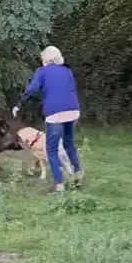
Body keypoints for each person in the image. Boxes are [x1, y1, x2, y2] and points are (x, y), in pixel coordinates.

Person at [12, 46, 83, 194]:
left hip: (55, 113)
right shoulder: (67, 71)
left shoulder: (42, 72)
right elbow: (71, 89)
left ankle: (59, 186)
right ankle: (77, 176)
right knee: (69, 143)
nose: (41, 61)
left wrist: (19, 105)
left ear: (46, 59)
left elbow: (32, 90)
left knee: (51, 149)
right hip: (73, 111)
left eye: (42, 58)